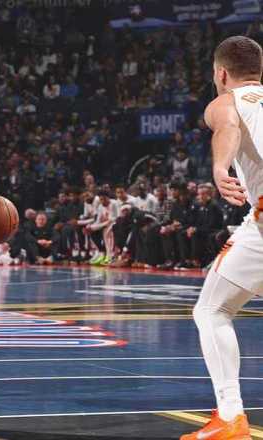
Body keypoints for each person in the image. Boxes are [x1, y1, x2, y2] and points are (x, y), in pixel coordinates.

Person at [181, 35, 263, 439]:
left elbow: (228, 125)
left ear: (222, 73)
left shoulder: (227, 100)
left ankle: (231, 417)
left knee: (212, 310)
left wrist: (219, 167)